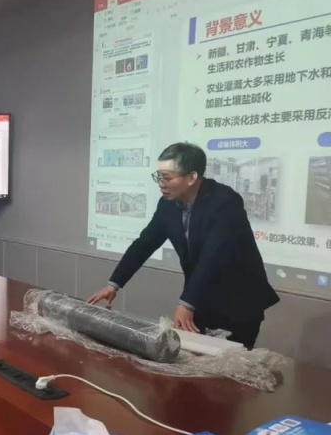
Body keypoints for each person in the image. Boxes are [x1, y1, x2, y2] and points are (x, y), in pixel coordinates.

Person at [87, 142, 279, 348]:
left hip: (238, 301)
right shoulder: (168, 204)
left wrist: (187, 302)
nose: (161, 183)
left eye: (167, 177)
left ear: (192, 177)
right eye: (158, 176)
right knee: (194, 358)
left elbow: (213, 256)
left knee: (229, 363)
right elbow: (144, 243)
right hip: (201, 298)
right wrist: (114, 284)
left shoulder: (225, 202)